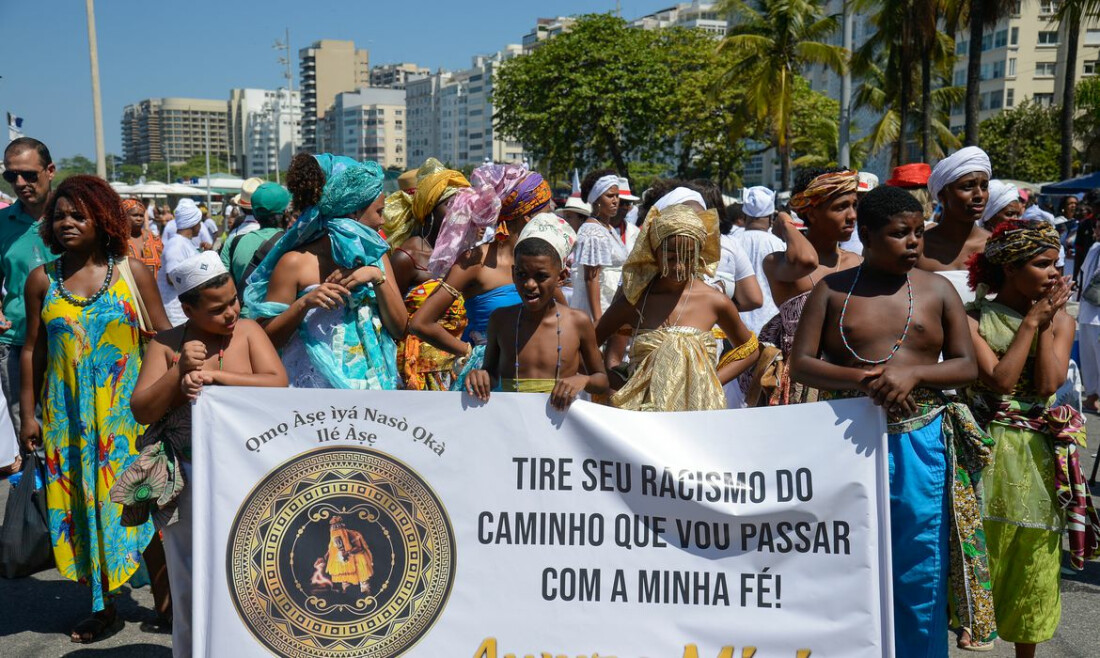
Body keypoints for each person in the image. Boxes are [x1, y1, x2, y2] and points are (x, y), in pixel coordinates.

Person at [788, 185, 995, 655]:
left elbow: (965, 365)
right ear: (866, 234)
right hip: (846, 439)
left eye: (919, 233)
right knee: (847, 554)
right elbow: (801, 362)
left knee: (919, 559)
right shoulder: (832, 289)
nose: (914, 243)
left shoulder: (938, 289)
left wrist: (915, 371)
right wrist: (864, 379)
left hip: (921, 443)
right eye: (901, 234)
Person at [19, 175, 173, 643]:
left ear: (102, 218)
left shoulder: (131, 274)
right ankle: (101, 607)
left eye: (77, 215)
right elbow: (32, 352)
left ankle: (168, 605)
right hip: (68, 421)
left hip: (128, 419)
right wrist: (28, 415)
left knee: (142, 507)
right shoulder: (43, 280)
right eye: (59, 215)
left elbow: (164, 341)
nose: (66, 223)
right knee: (85, 510)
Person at [127, 251, 287, 656]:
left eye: (234, 300)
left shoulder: (249, 332)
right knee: (188, 573)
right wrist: (178, 372)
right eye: (217, 309)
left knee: (254, 571)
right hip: (186, 476)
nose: (231, 312)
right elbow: (143, 409)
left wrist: (217, 376)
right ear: (187, 309)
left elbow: (278, 383)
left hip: (248, 472)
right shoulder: (166, 344)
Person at [962, 220, 1100, 657]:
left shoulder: (1061, 321)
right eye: (1042, 264)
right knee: (984, 545)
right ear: (1008, 268)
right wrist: (1031, 324)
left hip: (1038, 452)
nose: (1055, 273)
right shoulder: (971, 318)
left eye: (1056, 264)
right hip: (985, 443)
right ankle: (975, 633)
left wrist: (1044, 323)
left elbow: (1046, 385)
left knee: (1036, 556)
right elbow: (1000, 380)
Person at [247, 158, 407, 390]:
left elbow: (400, 328)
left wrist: (376, 278)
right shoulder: (294, 263)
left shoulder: (377, 258)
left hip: (372, 398)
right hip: (313, 398)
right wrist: (304, 304)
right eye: (379, 212)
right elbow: (266, 340)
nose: (382, 222)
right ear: (352, 211)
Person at [595, 203, 759, 411]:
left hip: (699, 414)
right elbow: (588, 343)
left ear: (700, 254)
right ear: (654, 254)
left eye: (688, 257)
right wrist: (620, 383)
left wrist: (713, 380)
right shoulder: (636, 300)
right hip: (643, 417)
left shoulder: (714, 300)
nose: (679, 267)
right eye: (671, 257)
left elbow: (750, 350)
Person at [409, 164, 552, 387]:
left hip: (534, 377)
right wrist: (472, 351)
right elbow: (421, 323)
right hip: (486, 382)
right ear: (528, 219)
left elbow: (560, 316)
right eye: (548, 214)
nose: (554, 222)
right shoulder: (474, 262)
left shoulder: (544, 262)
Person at [466, 213, 608, 407]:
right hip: (513, 424)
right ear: (513, 273)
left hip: (560, 428)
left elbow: (601, 380)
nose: (529, 284)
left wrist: (583, 380)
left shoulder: (577, 322)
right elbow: (490, 373)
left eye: (541, 276)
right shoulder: (501, 320)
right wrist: (480, 376)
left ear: (561, 276)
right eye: (522, 274)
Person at [0, 137, 56, 471]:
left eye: (29, 175)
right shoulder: (3, 224)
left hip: (71, 340)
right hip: (18, 344)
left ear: (50, 170)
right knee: (30, 435)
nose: (21, 183)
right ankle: (35, 518)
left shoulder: (75, 216)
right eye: (12, 177)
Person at [918, 146, 992, 304]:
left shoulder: (996, 246)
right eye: (968, 186)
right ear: (942, 195)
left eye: (984, 186)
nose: (979, 194)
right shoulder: (919, 248)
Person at [569, 170, 626, 322]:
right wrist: (598, 320)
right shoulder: (592, 231)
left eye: (617, 196)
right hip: (599, 306)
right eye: (609, 196)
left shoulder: (609, 229)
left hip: (612, 302)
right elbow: (591, 278)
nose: (615, 201)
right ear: (597, 200)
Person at [734, 186, 788, 333]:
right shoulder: (778, 244)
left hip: (735, 326)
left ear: (744, 216)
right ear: (771, 217)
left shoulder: (731, 242)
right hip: (769, 325)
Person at [220, 182, 289, 291]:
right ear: (286, 213)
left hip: (242, 306)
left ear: (255, 214)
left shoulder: (233, 242)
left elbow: (223, 284)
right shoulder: (294, 243)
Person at [158, 199, 204, 326]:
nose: (201, 227)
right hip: (176, 314)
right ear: (194, 224)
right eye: (200, 223)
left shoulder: (184, 243)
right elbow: (171, 278)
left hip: (184, 311)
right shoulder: (176, 245)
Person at [124, 199, 163, 278]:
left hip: (153, 287)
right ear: (124, 216)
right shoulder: (119, 239)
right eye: (134, 215)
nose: (139, 219)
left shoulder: (154, 238)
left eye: (141, 215)